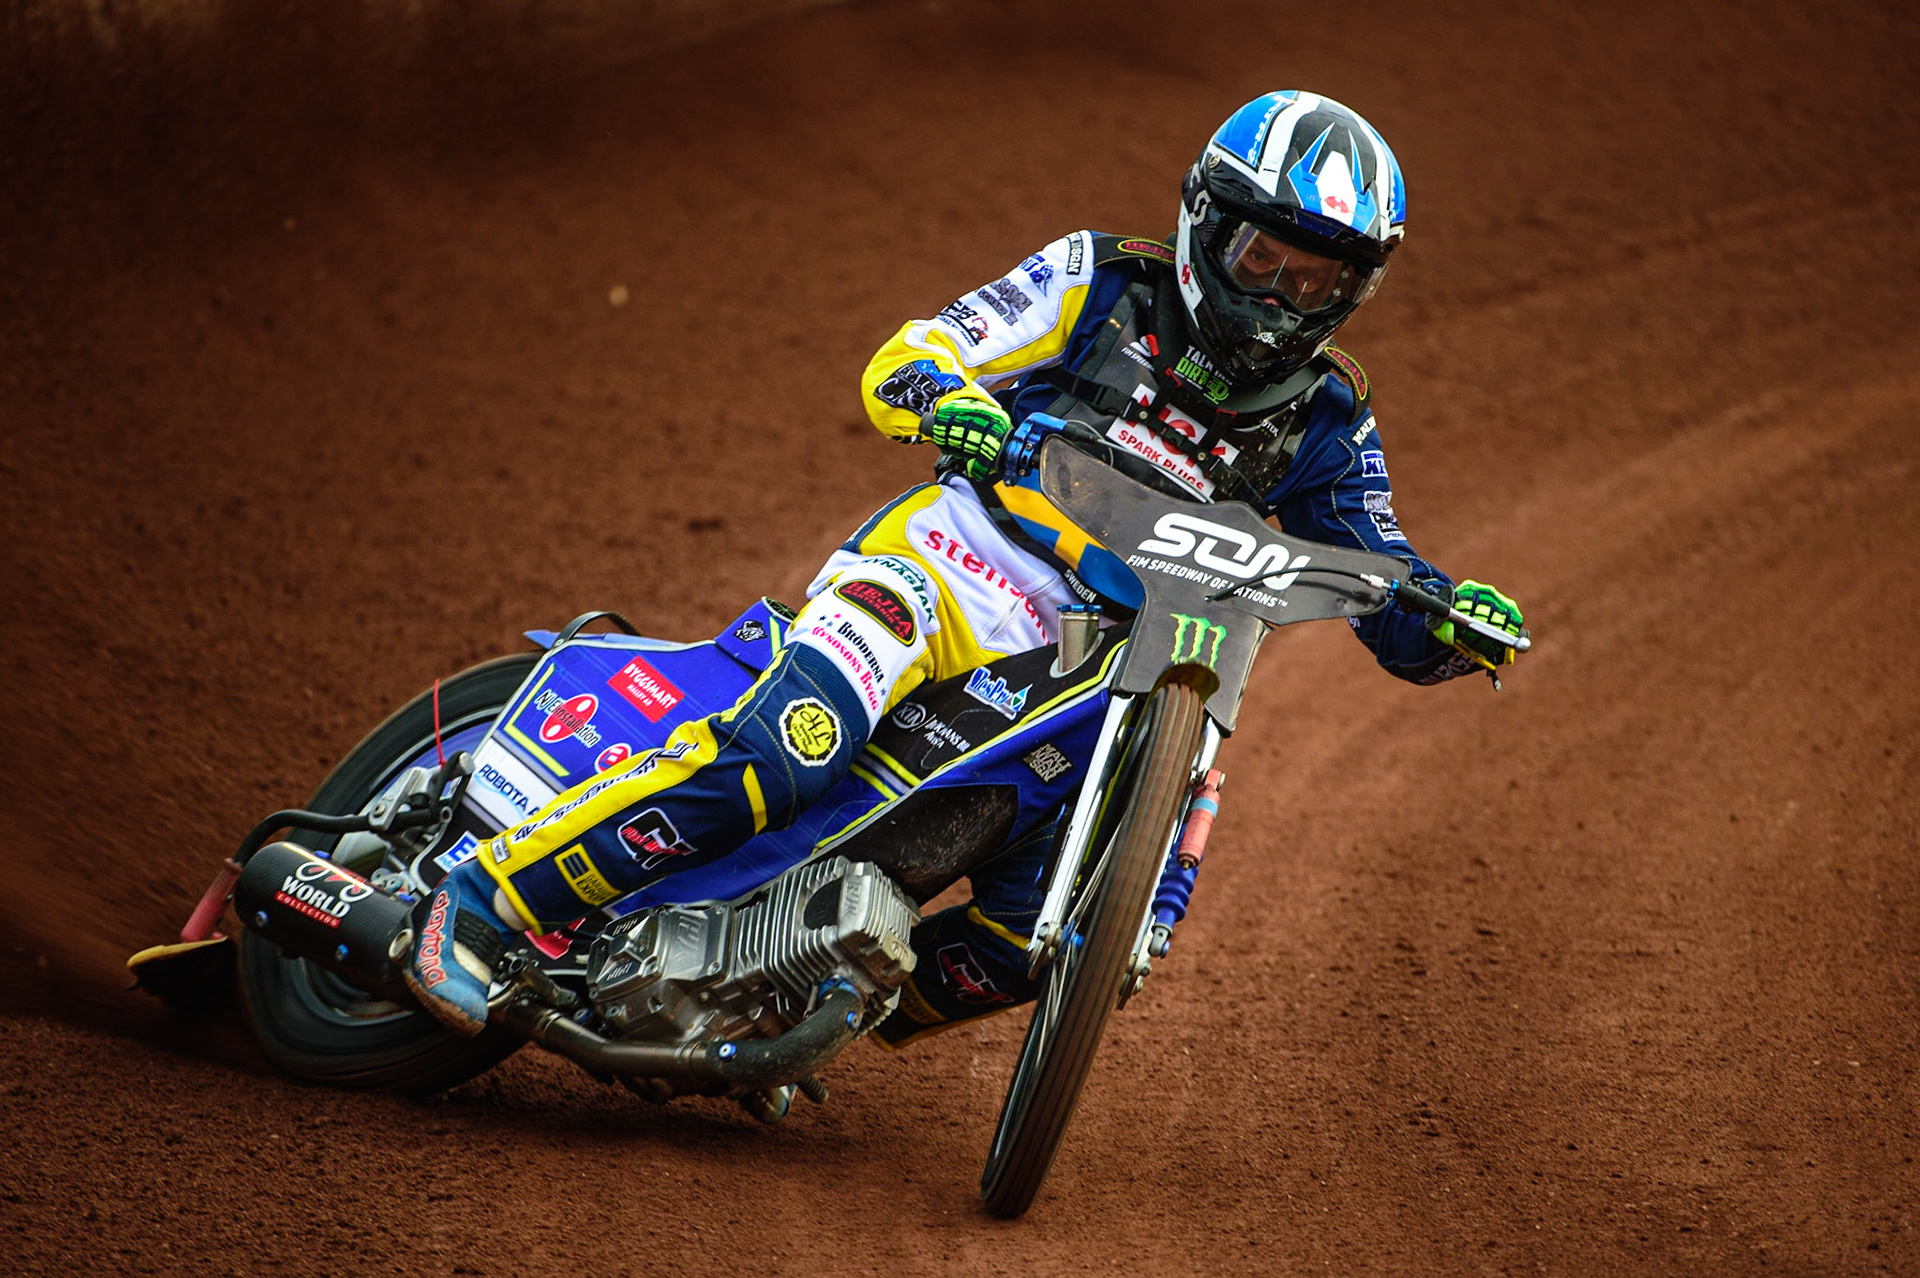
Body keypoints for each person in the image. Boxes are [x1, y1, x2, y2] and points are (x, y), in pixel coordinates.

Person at [404, 91, 1527, 1045]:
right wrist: (952, 402)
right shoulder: (1100, 279)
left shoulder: (1333, 419)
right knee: (788, 754)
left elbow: (1383, 579)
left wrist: (1445, 619)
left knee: (1039, 942)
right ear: (1206, 224)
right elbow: (917, 351)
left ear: (1356, 289)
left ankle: (772, 994)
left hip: (1103, 671)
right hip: (949, 568)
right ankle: (482, 906)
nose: (1282, 297)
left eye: (1318, 281)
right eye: (1262, 259)